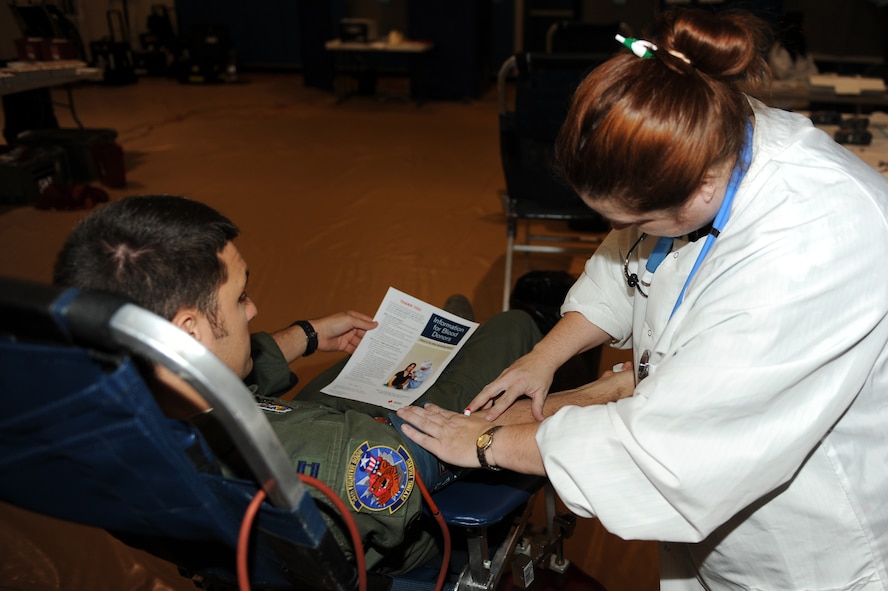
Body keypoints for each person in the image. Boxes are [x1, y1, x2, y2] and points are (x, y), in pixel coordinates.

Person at [397, 7, 888, 590]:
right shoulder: (703, 125)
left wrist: (485, 443)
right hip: (713, 530)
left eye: (643, 218)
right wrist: (543, 358)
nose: (630, 230)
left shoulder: (816, 238)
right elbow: (630, 266)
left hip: (810, 546)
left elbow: (669, 456)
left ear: (701, 184)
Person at [52, 194, 634, 575]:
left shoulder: (94, 419)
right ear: (187, 330)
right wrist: (586, 398)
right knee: (511, 329)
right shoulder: (346, 466)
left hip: (293, 438)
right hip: (386, 464)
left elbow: (231, 370)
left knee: (427, 345)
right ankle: (474, 331)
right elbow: (450, 442)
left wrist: (306, 335)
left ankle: (458, 327)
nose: (254, 311)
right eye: (240, 297)